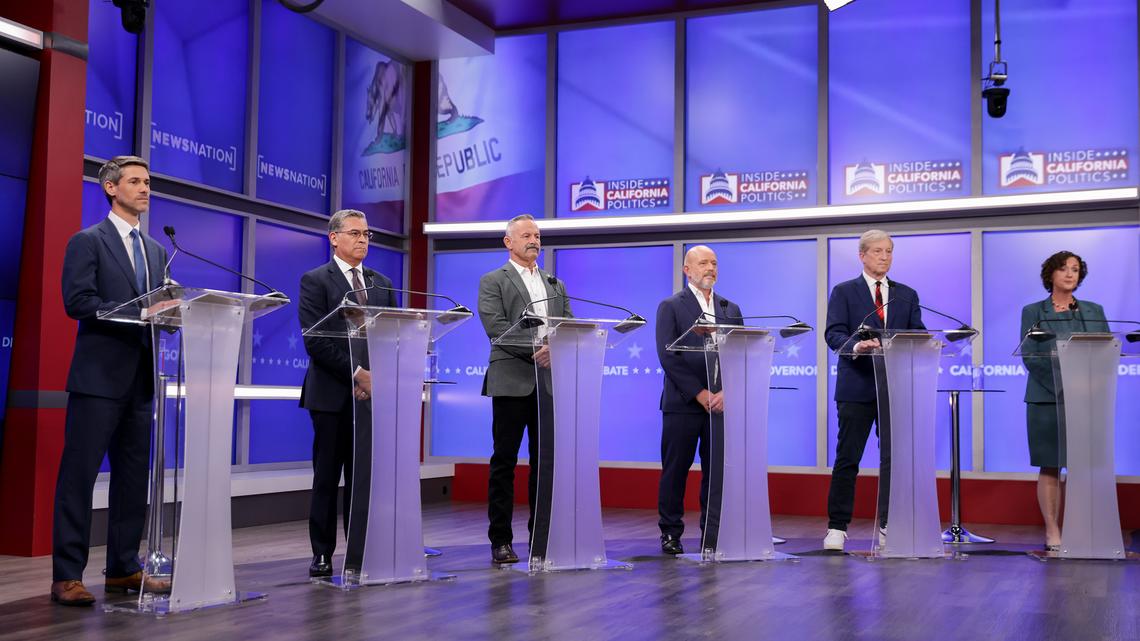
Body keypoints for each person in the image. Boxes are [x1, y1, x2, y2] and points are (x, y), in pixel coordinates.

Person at [52, 156, 170, 605]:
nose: (144, 188)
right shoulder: (88, 242)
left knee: (132, 480)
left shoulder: (156, 251)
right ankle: (67, 575)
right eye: (135, 181)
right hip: (98, 381)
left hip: (141, 382)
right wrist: (141, 314)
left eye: (147, 182)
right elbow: (78, 301)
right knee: (79, 479)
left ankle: (123, 569)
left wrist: (172, 313)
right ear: (111, 188)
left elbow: (158, 308)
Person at [298, 209, 396, 577]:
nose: (363, 240)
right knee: (327, 477)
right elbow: (316, 340)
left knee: (363, 479)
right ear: (334, 238)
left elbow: (392, 335)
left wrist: (377, 378)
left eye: (366, 234)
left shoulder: (382, 283)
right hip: (331, 395)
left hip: (372, 396)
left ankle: (361, 551)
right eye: (355, 233)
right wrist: (358, 374)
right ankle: (322, 553)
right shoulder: (315, 280)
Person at [476, 214, 572, 565]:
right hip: (511, 381)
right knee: (504, 462)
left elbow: (567, 323)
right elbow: (497, 328)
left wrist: (556, 348)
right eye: (527, 235)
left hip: (549, 383)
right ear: (509, 242)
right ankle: (500, 540)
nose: (534, 240)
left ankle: (541, 537)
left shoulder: (554, 283)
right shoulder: (493, 280)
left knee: (545, 463)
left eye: (537, 235)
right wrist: (538, 350)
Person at [822, 229, 924, 552]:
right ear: (862, 255)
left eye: (889, 251)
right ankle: (837, 527)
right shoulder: (844, 291)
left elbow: (918, 335)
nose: (884, 257)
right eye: (878, 251)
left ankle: (889, 525)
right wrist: (857, 346)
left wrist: (923, 343)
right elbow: (833, 334)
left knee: (894, 460)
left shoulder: (906, 294)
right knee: (847, 458)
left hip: (894, 389)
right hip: (856, 387)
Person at [655, 245, 742, 555]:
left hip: (721, 404)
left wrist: (727, 391)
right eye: (703, 263)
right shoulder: (671, 306)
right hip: (683, 404)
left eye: (714, 263)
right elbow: (668, 355)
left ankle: (713, 533)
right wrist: (700, 393)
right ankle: (670, 532)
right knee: (675, 470)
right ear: (687, 270)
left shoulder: (730, 308)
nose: (710, 268)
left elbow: (740, 353)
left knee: (716, 472)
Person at [1018, 250, 1107, 552]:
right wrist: (1065, 385)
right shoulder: (1033, 311)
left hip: (1087, 399)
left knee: (1084, 466)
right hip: (1047, 398)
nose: (1070, 274)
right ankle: (1052, 530)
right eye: (1064, 268)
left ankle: (1082, 528)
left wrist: (1087, 385)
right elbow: (1031, 355)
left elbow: (1105, 351)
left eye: (1075, 269)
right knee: (1050, 465)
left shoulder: (1094, 310)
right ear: (1051, 274)